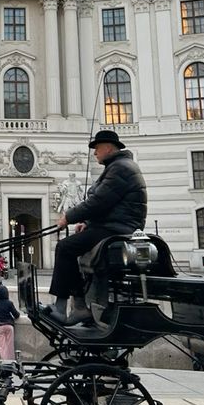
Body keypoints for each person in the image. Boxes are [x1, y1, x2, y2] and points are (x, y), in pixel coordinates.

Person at [46, 129, 147, 325]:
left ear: (108, 148)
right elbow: (107, 203)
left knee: (65, 247)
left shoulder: (121, 169)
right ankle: (77, 304)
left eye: (97, 148)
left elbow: (98, 202)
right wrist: (87, 222)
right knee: (70, 247)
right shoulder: (118, 167)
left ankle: (72, 306)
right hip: (114, 226)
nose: (94, 153)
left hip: (118, 229)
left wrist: (69, 217)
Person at [0, 283, 20, 360]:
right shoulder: (9, 303)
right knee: (10, 346)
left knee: (2, 346)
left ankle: (4, 362)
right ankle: (11, 361)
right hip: (9, 326)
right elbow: (16, 315)